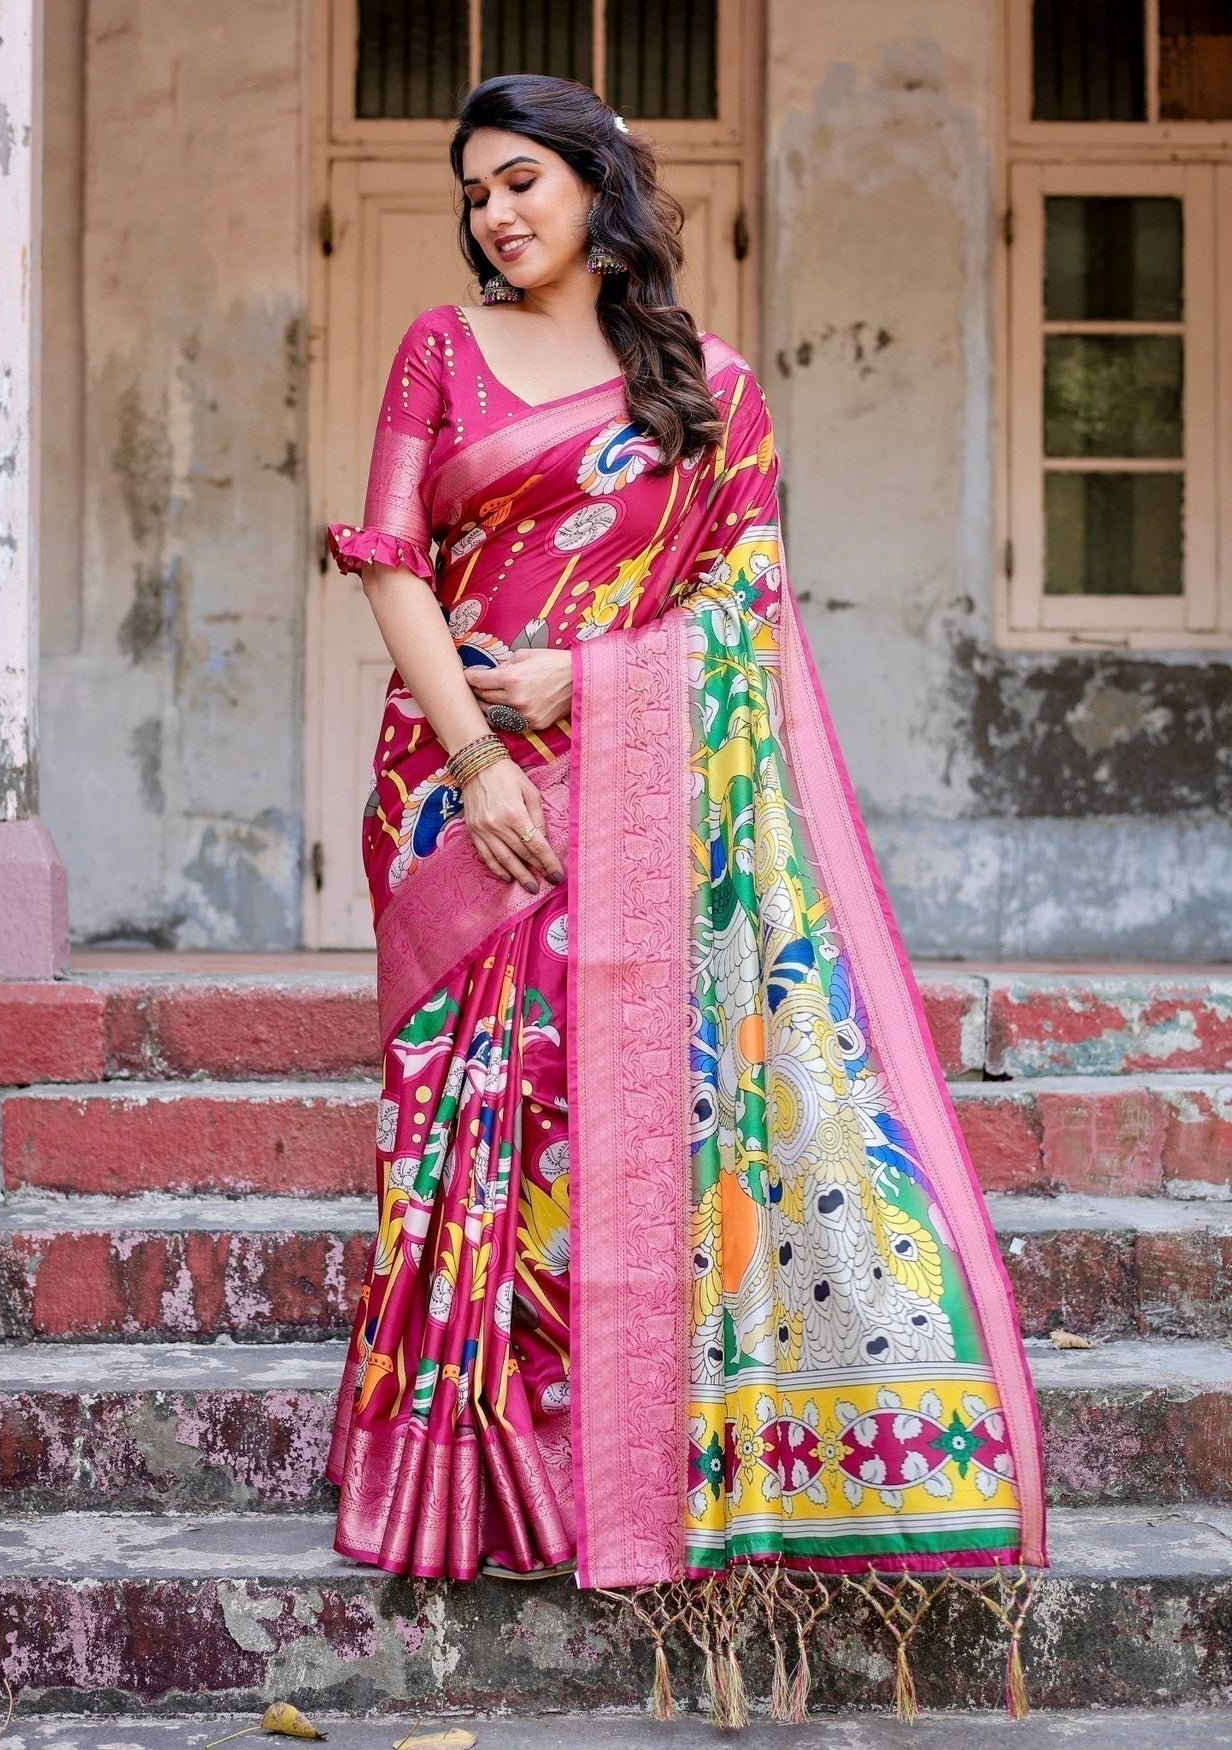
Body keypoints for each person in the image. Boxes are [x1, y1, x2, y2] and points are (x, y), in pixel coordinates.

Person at [325, 72, 1047, 1725]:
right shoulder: (438, 346)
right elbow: (389, 557)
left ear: (597, 183)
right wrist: (483, 755)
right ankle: (464, 1481)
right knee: (466, 1110)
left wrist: (585, 680)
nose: (498, 215)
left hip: (633, 784)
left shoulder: (709, 389)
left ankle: (613, 1470)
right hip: (454, 791)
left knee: (609, 1123)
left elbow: (749, 616)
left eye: (524, 181)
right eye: (476, 193)